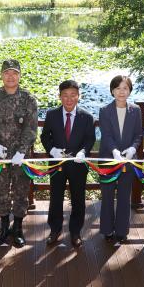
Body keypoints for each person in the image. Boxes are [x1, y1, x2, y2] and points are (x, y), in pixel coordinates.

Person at [0, 59, 38, 248]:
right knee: (1, 191)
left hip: (20, 157)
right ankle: (4, 227)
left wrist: (22, 151)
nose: (10, 76)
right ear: (2, 75)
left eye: (14, 73)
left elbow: (31, 129)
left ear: (19, 75)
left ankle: (18, 228)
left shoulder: (28, 99)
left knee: (21, 192)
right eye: (7, 73)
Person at [40, 80, 96, 248]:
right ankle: (55, 230)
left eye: (73, 95)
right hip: (57, 164)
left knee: (78, 198)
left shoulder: (87, 116)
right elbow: (45, 137)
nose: (69, 99)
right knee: (55, 197)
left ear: (79, 96)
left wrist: (83, 151)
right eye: (65, 95)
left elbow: (90, 139)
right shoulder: (52, 114)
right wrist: (52, 150)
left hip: (78, 165)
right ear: (60, 96)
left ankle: (76, 232)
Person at [98, 75, 143, 244]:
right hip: (109, 159)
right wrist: (115, 151)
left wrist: (132, 148)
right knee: (107, 195)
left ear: (130, 90)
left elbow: (138, 134)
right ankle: (107, 230)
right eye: (118, 88)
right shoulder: (104, 110)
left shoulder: (136, 110)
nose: (121, 91)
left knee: (125, 195)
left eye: (125, 88)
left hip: (129, 160)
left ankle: (122, 231)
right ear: (112, 91)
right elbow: (107, 135)